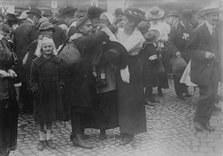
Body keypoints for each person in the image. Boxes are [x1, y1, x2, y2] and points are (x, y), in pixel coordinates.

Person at [102, 7, 147, 145]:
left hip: (132, 67)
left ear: (133, 23)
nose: (122, 21)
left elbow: (122, 49)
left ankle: (130, 131)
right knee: (121, 98)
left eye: (125, 19)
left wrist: (110, 34)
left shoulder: (138, 37)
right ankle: (124, 129)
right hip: (120, 65)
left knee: (130, 99)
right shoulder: (122, 32)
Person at [66, 16, 109, 149]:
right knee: (77, 107)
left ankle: (76, 133)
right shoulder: (80, 39)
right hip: (76, 79)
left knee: (79, 105)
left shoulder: (74, 37)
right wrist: (103, 28)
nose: (91, 28)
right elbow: (99, 37)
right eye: (88, 25)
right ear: (80, 28)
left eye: (92, 25)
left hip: (78, 77)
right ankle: (77, 137)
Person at [186, 7, 220, 132]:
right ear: (206, 16)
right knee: (205, 96)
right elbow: (189, 50)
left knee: (212, 96)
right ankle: (198, 121)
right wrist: (204, 54)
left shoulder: (216, 30)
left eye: (217, 16)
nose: (215, 18)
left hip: (214, 69)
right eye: (213, 16)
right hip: (202, 70)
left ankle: (205, 122)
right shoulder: (198, 31)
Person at [30, 37, 65, 151]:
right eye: (45, 47)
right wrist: (36, 90)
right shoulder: (36, 63)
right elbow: (33, 79)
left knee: (50, 115)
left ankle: (49, 138)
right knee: (41, 116)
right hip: (41, 93)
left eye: (50, 46)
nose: (48, 48)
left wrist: (61, 85)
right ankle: (41, 139)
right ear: (41, 48)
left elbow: (61, 76)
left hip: (53, 92)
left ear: (53, 47)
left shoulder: (57, 61)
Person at [14, 8, 41, 114]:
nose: (38, 21)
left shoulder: (18, 27)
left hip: (19, 60)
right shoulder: (33, 27)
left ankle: (23, 106)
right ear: (34, 17)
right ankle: (29, 108)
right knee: (30, 82)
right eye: (38, 18)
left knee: (23, 83)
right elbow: (35, 45)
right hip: (29, 59)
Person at [168, 10, 195, 99]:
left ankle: (185, 90)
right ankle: (179, 92)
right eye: (186, 19)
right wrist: (175, 51)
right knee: (179, 71)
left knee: (187, 72)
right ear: (182, 18)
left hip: (187, 53)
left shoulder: (191, 28)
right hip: (177, 54)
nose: (187, 21)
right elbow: (170, 42)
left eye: (189, 20)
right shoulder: (175, 28)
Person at [0, 25, 18, 156]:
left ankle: (5, 146)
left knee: (7, 116)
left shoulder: (4, 41)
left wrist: (10, 68)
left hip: (6, 86)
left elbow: (9, 60)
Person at [147, 7, 170, 97]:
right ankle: (150, 88)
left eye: (156, 18)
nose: (155, 20)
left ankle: (160, 88)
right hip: (150, 48)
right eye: (153, 18)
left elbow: (167, 37)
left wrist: (162, 39)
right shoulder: (148, 25)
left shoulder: (163, 25)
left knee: (161, 69)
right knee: (151, 69)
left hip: (160, 47)